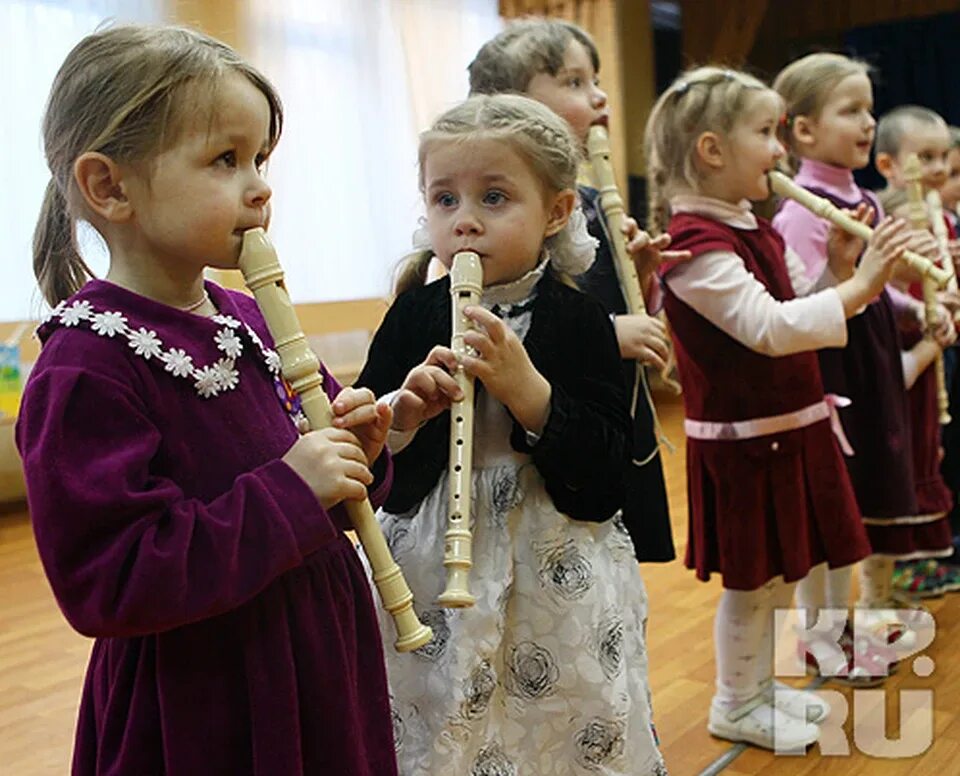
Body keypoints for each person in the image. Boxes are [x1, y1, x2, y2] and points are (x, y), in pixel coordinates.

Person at [17, 24, 397, 775]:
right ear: (109, 187)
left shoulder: (250, 313)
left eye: (260, 158)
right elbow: (109, 582)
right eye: (225, 160)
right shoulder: (86, 366)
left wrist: (363, 449)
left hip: (314, 653)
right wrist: (293, 488)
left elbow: (327, 474)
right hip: (206, 700)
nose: (259, 185)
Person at [356, 93, 666, 775]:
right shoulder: (414, 314)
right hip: (433, 555)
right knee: (440, 715)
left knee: (567, 715)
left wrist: (530, 392)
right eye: (445, 200)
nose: (464, 221)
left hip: (556, 556)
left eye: (493, 198)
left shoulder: (582, 319)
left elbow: (609, 468)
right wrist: (400, 420)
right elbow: (375, 457)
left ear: (556, 212)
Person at [646, 65, 912, 751]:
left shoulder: (749, 227)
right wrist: (866, 287)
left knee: (777, 578)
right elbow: (770, 329)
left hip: (790, 431)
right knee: (752, 586)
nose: (780, 152)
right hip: (744, 446)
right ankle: (736, 702)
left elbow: (801, 307)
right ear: (711, 151)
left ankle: (763, 693)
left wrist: (847, 269)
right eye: (766, 133)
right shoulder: (693, 250)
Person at [468, 18, 682, 562]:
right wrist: (609, 334)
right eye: (573, 81)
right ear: (512, 104)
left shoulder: (586, 199)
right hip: (543, 449)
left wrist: (643, 276)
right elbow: (507, 324)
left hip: (605, 424)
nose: (600, 95)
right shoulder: (494, 212)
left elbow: (600, 303)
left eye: (595, 79)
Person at [772, 53, 955, 684]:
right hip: (832, 374)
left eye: (868, 109)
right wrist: (857, 276)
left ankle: (841, 633)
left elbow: (876, 293)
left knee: (856, 514)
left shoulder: (859, 200)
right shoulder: (802, 209)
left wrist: (918, 309)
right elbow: (801, 305)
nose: (868, 122)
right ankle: (818, 639)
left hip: (869, 362)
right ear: (801, 131)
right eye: (850, 110)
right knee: (829, 515)